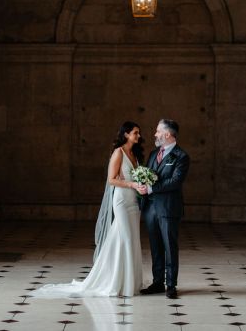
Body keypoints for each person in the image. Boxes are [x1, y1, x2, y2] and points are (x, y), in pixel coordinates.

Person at [30, 121, 146, 298]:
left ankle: (129, 281)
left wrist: (141, 186)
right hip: (122, 200)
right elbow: (111, 180)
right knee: (126, 238)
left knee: (132, 239)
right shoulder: (119, 153)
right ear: (126, 135)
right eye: (135, 133)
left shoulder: (135, 154)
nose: (138, 135)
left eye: (138, 133)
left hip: (133, 202)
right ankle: (117, 282)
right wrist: (132, 184)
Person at [137, 119, 190, 299]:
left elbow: (175, 182)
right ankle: (157, 282)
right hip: (151, 208)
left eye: (158, 131)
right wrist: (142, 185)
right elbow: (148, 174)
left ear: (167, 134)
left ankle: (171, 285)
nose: (155, 134)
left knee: (169, 247)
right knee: (155, 247)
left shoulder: (181, 156)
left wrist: (152, 188)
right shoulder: (153, 154)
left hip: (168, 209)